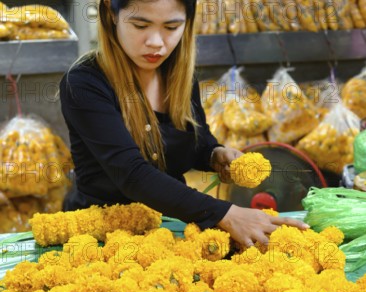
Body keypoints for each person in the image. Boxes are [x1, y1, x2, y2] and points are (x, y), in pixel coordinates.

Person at [59, 0, 309, 247]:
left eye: (171, 27)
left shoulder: (179, 77)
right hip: (101, 236)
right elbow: (131, 174)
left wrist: (214, 154)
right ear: (110, 13)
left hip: (171, 229)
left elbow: (196, 141)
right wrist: (226, 213)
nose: (156, 42)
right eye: (140, 25)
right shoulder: (84, 83)